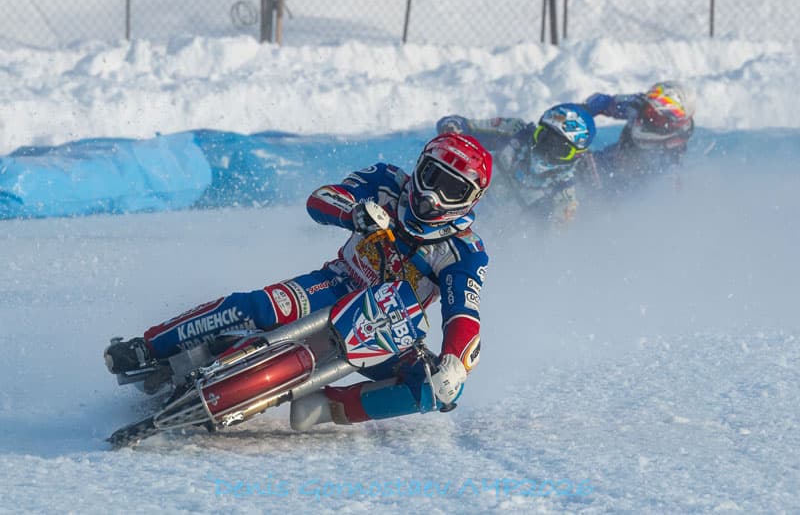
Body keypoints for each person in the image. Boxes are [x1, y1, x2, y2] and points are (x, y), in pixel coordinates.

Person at [104, 133, 492, 431]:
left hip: (386, 328)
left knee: (440, 391)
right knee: (257, 306)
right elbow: (321, 199)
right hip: (336, 283)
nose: (434, 197)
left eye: (452, 189)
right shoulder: (386, 181)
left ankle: (325, 407)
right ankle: (149, 345)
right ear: (419, 166)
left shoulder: (464, 251)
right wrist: (354, 212)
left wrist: (454, 363)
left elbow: (463, 315)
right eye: (431, 177)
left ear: (471, 199)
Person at [436, 103, 596, 225]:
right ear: (537, 130)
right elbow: (461, 124)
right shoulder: (515, 131)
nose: (545, 152)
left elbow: (549, 249)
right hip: (451, 200)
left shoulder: (564, 196)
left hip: (486, 234)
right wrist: (453, 130)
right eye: (544, 138)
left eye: (560, 149)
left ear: (576, 156)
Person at [580, 80, 695, 196]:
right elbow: (602, 102)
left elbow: (673, 186)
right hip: (610, 159)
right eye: (649, 110)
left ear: (672, 123)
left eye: (656, 116)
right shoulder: (638, 105)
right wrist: (577, 114)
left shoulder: (674, 149)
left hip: (631, 187)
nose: (647, 117)